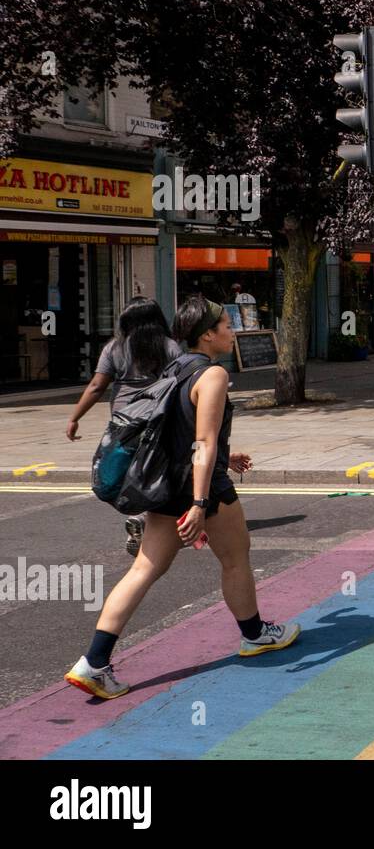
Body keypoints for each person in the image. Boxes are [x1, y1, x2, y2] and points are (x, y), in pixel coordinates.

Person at [63, 296, 301, 700]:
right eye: (226, 324)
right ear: (207, 334)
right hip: (200, 489)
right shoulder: (212, 376)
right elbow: (204, 442)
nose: (232, 331)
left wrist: (226, 457)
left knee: (143, 570)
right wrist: (200, 502)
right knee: (236, 557)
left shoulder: (172, 369)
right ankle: (255, 635)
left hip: (164, 487)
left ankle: (93, 662)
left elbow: (181, 435)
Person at [66, 297, 184, 556]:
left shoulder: (114, 348)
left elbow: (97, 386)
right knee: (155, 468)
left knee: (126, 469)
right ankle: (146, 518)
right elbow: (181, 384)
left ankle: (141, 514)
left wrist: (75, 417)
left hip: (124, 420)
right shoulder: (170, 347)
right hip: (158, 418)